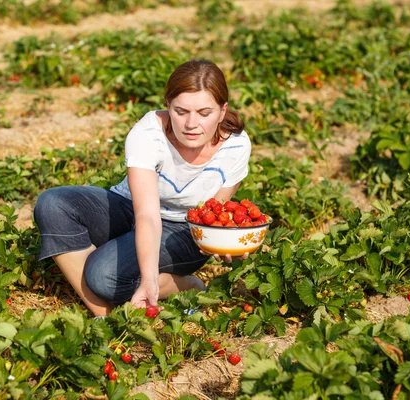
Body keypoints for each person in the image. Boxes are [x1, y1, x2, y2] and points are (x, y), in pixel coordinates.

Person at [33, 59, 251, 317]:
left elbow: (213, 214)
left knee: (104, 275)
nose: (192, 124)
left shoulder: (236, 146)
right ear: (168, 105)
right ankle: (105, 318)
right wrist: (148, 278)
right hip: (134, 208)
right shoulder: (149, 133)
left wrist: (225, 243)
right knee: (52, 204)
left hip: (184, 228)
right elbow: (147, 214)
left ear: (222, 111)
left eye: (205, 113)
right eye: (181, 112)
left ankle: (186, 287)